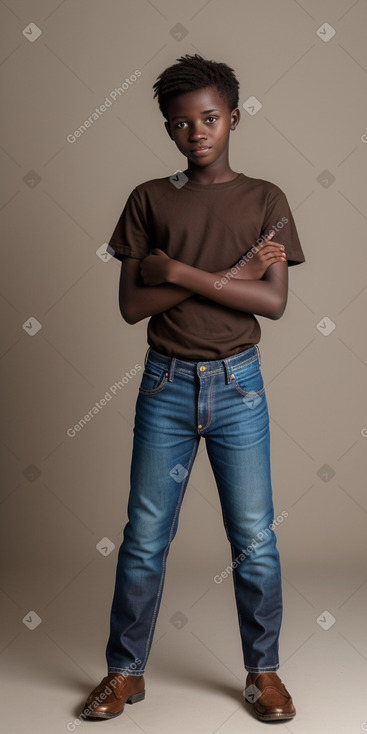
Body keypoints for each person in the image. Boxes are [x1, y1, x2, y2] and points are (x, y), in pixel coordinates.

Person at [82, 54, 305, 723]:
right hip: (166, 386)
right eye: (181, 123)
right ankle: (125, 674)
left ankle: (262, 672)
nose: (196, 131)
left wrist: (176, 269)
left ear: (232, 118)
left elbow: (272, 305)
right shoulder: (148, 199)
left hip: (238, 389)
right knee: (146, 537)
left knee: (255, 537)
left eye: (209, 118)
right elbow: (130, 307)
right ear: (167, 128)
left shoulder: (266, 199)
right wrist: (228, 275)